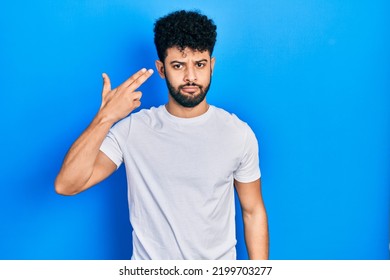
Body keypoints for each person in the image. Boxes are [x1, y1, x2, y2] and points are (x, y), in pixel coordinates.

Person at [55, 10, 268, 260]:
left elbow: (252, 211)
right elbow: (67, 185)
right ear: (161, 69)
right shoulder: (132, 129)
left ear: (212, 65)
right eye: (178, 65)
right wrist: (106, 117)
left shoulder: (237, 134)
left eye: (199, 64)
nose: (190, 76)